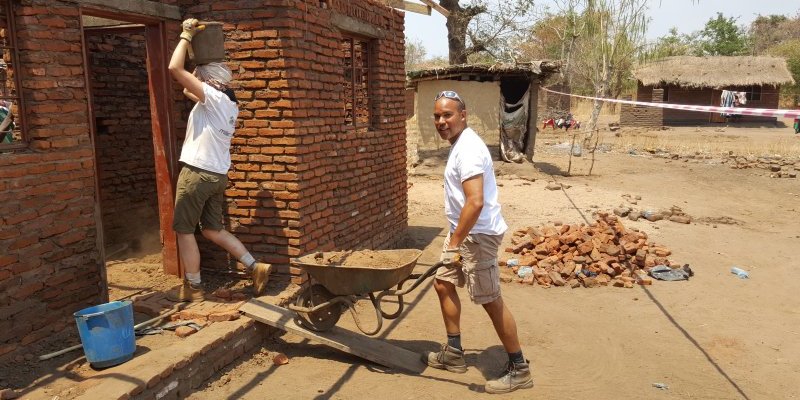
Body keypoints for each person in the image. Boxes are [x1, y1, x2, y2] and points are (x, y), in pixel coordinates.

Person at [422, 90, 533, 394]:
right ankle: (454, 352)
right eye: (437, 116)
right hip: (464, 232)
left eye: (448, 115)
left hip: (477, 235)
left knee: (489, 299)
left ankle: (519, 367)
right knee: (443, 283)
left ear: (463, 115)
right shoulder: (461, 145)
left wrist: (454, 244)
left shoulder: (468, 149)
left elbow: (476, 201)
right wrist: (454, 240)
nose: (441, 121)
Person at [166, 18, 271, 302]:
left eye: (199, 74)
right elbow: (189, 89)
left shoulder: (210, 96)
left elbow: (174, 69)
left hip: (198, 173)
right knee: (213, 229)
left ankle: (194, 287)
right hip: (218, 175)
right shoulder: (228, 102)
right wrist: (197, 72)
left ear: (207, 78)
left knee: (184, 230)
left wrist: (186, 37)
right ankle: (255, 266)